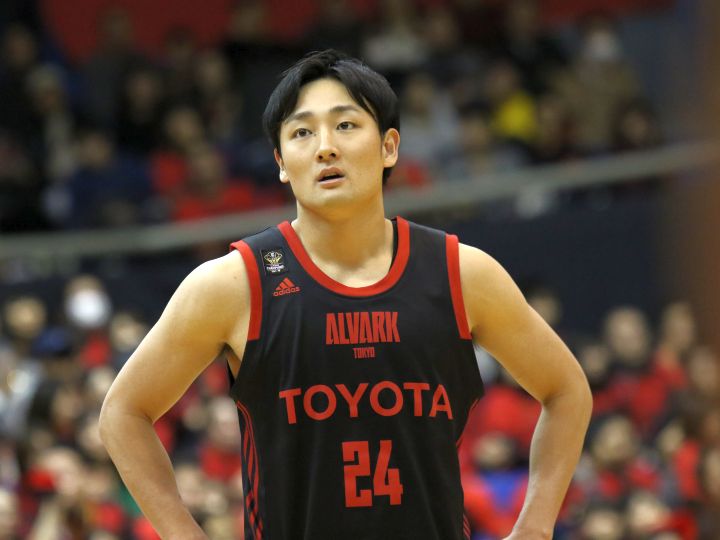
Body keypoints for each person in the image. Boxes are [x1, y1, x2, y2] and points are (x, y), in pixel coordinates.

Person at [100, 50, 592, 539]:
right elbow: (123, 413)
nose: (325, 148)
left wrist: (535, 527)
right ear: (281, 164)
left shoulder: (462, 273)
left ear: (389, 147)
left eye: (346, 125)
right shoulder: (234, 284)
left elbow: (567, 390)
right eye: (302, 133)